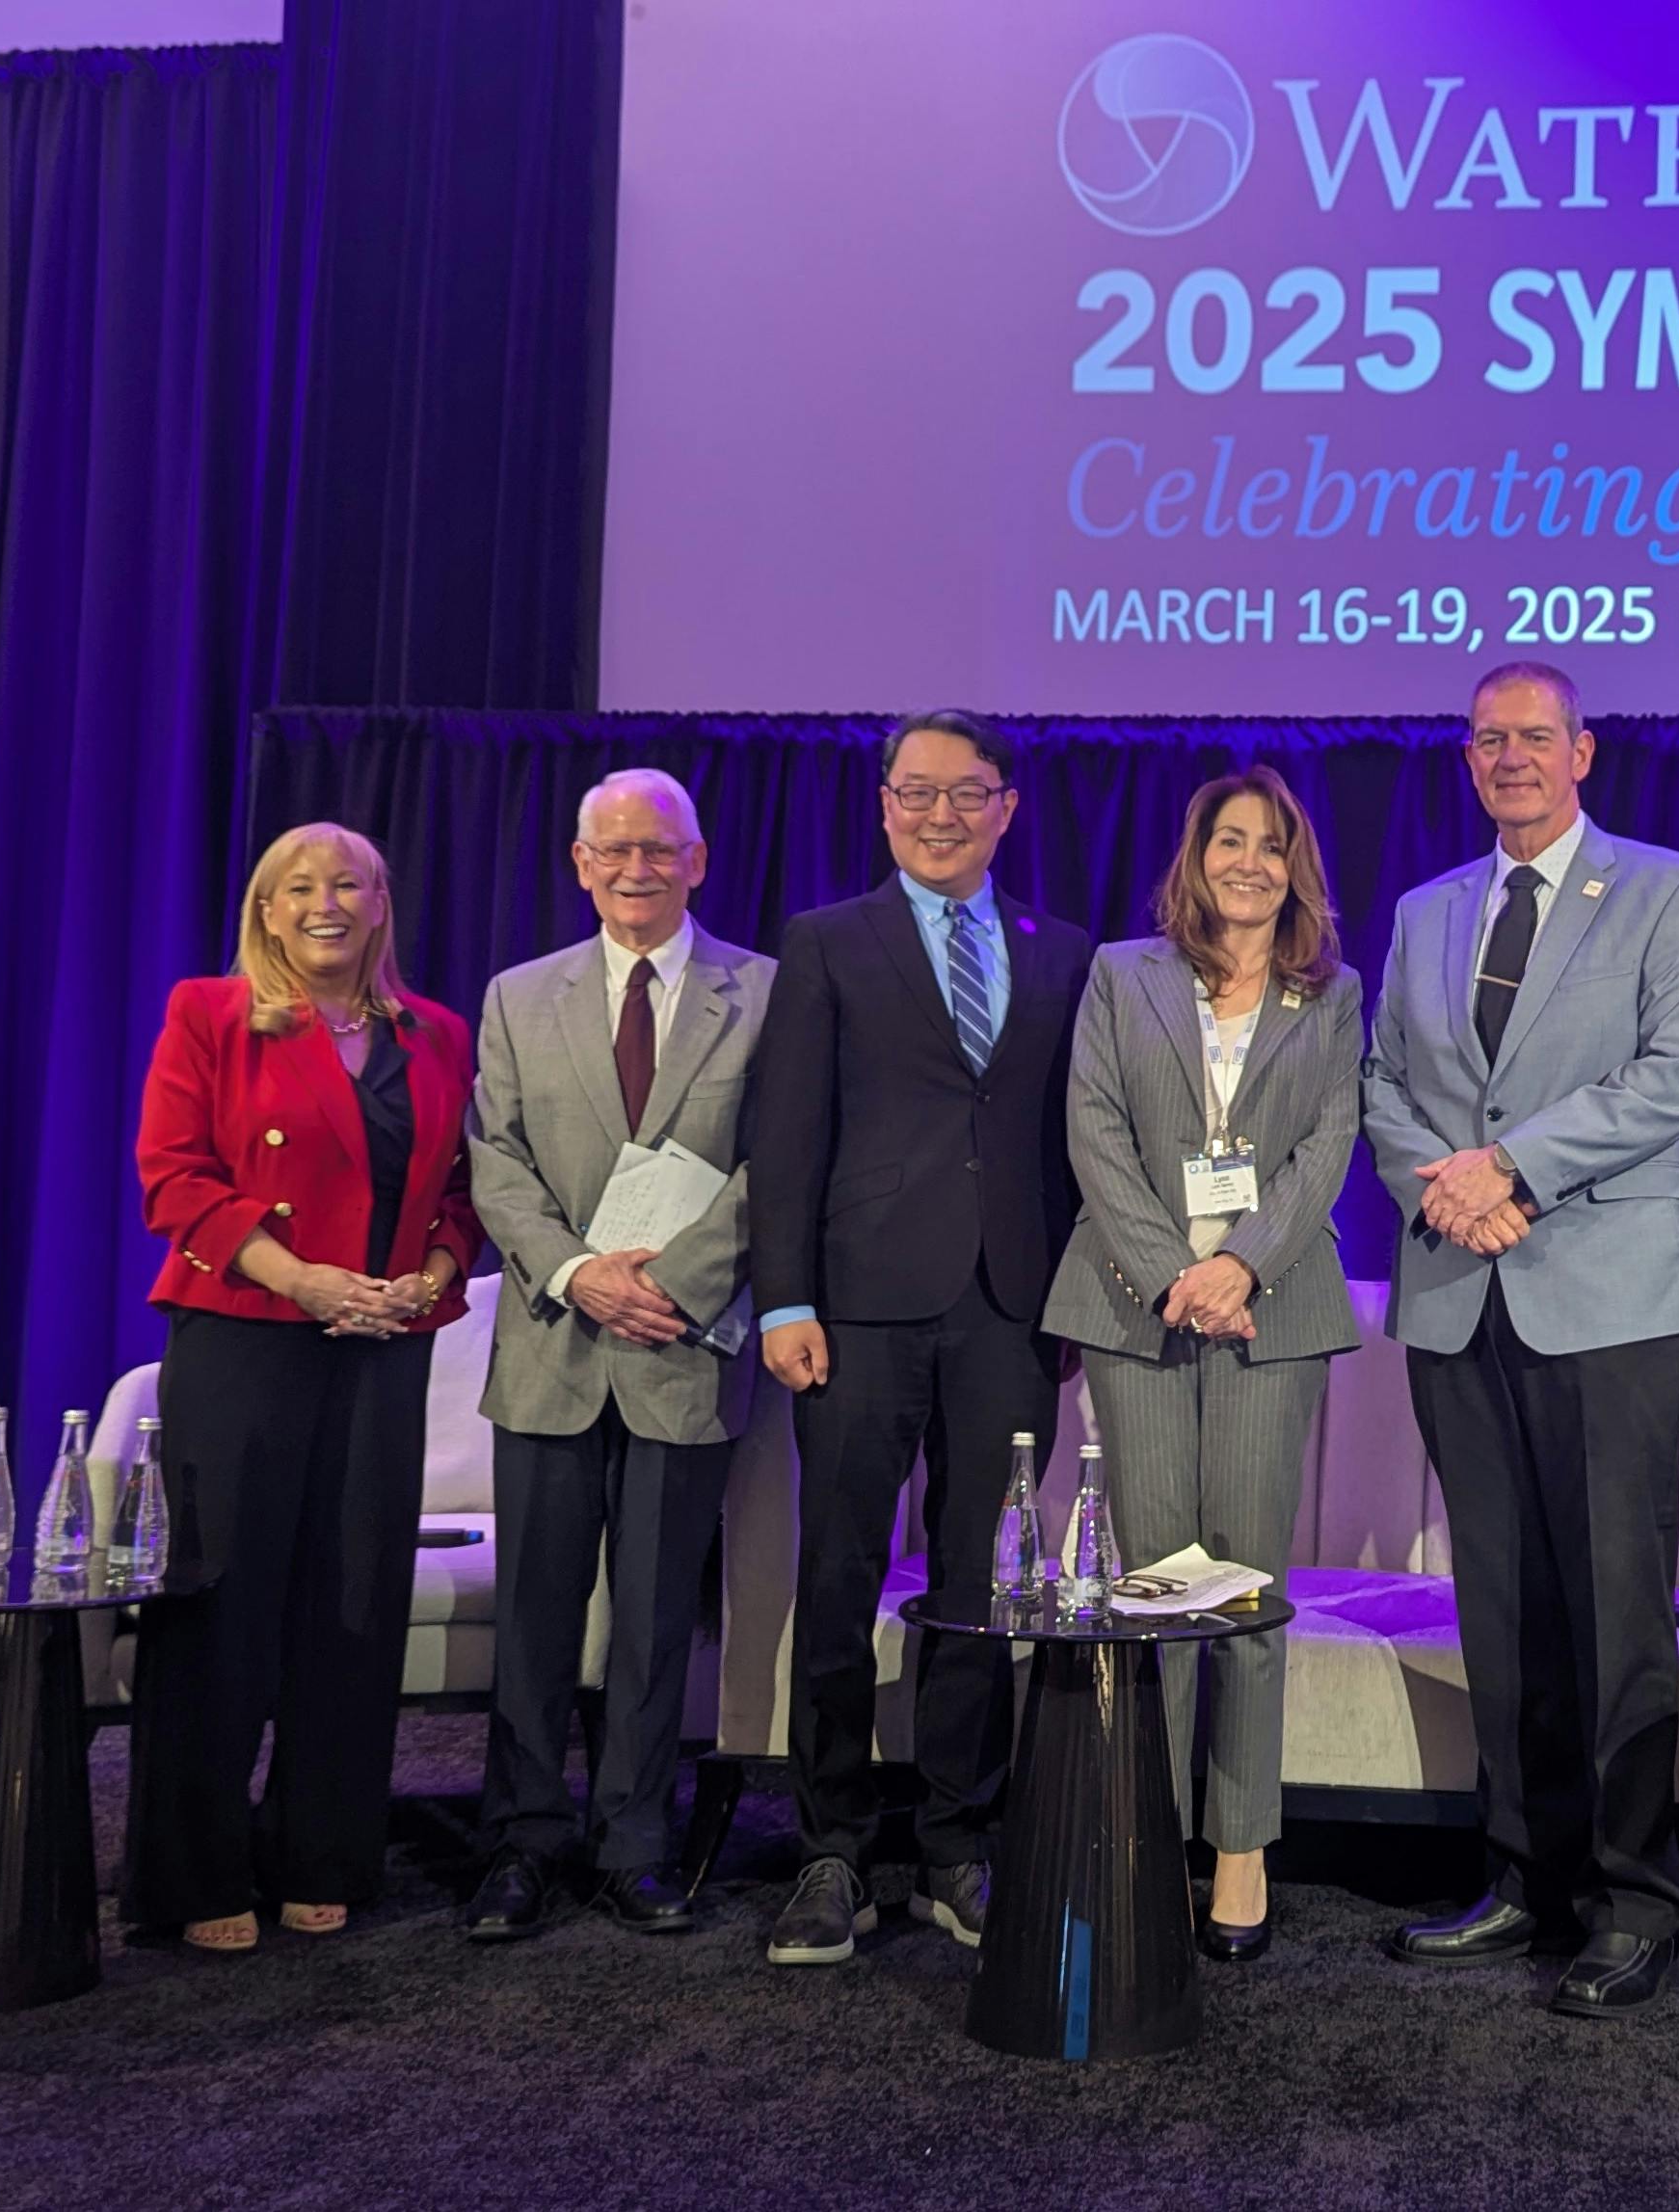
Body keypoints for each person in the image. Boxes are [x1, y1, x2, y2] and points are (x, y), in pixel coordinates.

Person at [1362, 660, 1679, 2019]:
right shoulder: (1425, 910)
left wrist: (1510, 1166)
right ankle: (1523, 1874)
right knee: (1502, 1603)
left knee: (1616, 1607)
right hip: (1459, 1288)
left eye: (1534, 736)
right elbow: (1382, 1081)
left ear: (1583, 751)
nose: (1510, 756)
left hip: (1608, 1296)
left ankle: (1637, 1900)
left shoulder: (1669, 889)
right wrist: (1444, 1189)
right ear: (1467, 760)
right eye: (1487, 739)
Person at [744, 709, 1095, 1966]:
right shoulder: (826, 940)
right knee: (838, 1578)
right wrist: (783, 1298)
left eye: (966, 792)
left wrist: (1077, 1299)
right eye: (917, 792)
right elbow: (786, 1134)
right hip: (855, 1314)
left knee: (982, 1589)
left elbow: (1077, 1140)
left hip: (1010, 1310)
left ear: (1007, 806)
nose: (940, 815)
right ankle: (833, 1849)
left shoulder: (1065, 952)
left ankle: (957, 1842)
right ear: (884, 803)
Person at [129, 821, 480, 1954]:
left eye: (348, 884)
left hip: (384, 1337)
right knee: (224, 1603)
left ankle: (321, 1851)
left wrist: (433, 1274)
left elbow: (463, 1191)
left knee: (354, 1600)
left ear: (380, 904)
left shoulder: (437, 1034)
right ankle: (196, 1870)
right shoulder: (209, 1013)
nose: (325, 902)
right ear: (267, 911)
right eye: (299, 887)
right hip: (248, 1332)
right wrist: (302, 1279)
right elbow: (173, 1177)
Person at [1041, 766, 1364, 1962]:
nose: (1249, 864)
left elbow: (1330, 1142)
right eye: (1230, 841)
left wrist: (1241, 1269)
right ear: (1197, 855)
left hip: (1271, 1314)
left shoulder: (1332, 994)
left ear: (1295, 869)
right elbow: (1094, 1130)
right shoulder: (1123, 974)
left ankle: (1240, 1850)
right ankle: (1150, 1836)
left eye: (1272, 846)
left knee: (1246, 1584)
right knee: (1155, 1584)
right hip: (1137, 1307)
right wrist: (1176, 1273)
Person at [455, 768, 777, 1940]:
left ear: (699, 862)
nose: (637, 868)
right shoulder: (517, 996)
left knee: (653, 1619)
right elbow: (494, 1160)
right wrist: (578, 1272)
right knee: (534, 1616)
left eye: (659, 848)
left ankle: (636, 1843)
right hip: (553, 1345)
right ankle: (521, 1842)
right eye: (614, 850)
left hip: (684, 1349)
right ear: (581, 865)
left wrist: (676, 1287)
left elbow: (778, 1162)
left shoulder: (767, 993)